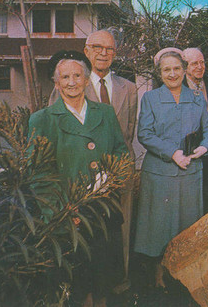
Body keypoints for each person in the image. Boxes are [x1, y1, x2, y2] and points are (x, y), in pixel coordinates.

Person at [29, 50, 129, 307]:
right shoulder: (42, 120)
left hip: (104, 211)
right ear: (56, 82)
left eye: (77, 75)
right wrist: (62, 210)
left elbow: (121, 152)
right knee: (77, 286)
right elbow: (39, 174)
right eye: (65, 77)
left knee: (104, 283)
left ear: (87, 80)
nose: (71, 82)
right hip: (70, 217)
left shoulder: (105, 114)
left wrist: (111, 180)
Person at [49, 30, 137, 281]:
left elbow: (127, 135)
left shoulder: (129, 88)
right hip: (79, 180)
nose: (103, 53)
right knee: (84, 241)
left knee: (120, 232)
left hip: (117, 177)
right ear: (86, 50)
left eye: (109, 48)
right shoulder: (71, 81)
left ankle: (120, 284)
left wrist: (119, 172)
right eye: (97, 47)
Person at [134, 48, 208, 286]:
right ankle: (158, 274)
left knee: (186, 225)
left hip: (191, 171)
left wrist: (204, 147)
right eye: (166, 70)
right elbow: (144, 133)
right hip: (159, 173)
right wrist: (173, 153)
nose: (172, 74)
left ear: (185, 70)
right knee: (159, 225)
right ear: (160, 73)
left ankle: (183, 274)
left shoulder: (198, 98)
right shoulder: (150, 98)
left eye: (177, 68)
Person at [182, 47, 208, 213]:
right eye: (194, 64)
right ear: (185, 67)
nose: (200, 67)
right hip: (189, 149)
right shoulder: (178, 85)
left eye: (202, 62)